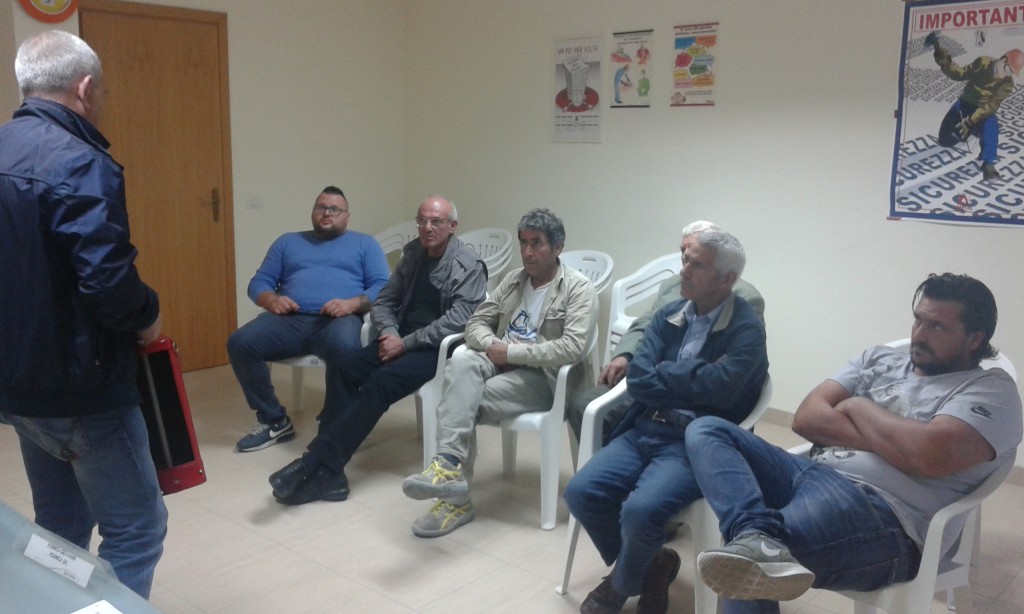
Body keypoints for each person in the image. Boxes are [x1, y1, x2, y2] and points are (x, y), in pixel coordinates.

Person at [689, 273, 1022, 614]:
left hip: (883, 515)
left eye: (937, 326)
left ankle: (756, 540)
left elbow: (925, 455)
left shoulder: (991, 390)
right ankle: (754, 532)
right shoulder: (878, 359)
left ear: (974, 339)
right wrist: (896, 443)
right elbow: (806, 418)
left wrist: (858, 406)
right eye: (918, 320)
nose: (919, 334)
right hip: (809, 474)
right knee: (707, 430)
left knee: (743, 561)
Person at [0, 31, 166, 598]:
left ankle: (56, 606)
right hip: (82, 387)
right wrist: (148, 313)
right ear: (86, 88)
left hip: (18, 386)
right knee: (137, 528)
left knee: (60, 524)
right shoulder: (79, 162)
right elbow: (110, 286)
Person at [563, 230, 768, 614]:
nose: (684, 270)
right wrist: (696, 375)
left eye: (697, 265)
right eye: (685, 259)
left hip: (692, 442)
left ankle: (619, 586)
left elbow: (724, 391)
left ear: (727, 279)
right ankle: (655, 564)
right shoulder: (668, 314)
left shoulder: (746, 328)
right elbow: (640, 380)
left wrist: (667, 372)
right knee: (581, 493)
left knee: (640, 511)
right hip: (645, 427)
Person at [267, 196, 487, 504]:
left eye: (436, 221)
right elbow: (385, 300)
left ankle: (314, 462)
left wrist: (405, 343)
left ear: (452, 226)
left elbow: (458, 321)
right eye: (422, 220)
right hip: (398, 337)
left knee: (380, 383)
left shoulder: (468, 264)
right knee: (344, 366)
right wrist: (390, 332)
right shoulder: (413, 253)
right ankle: (330, 471)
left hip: (436, 349)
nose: (427, 227)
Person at [401, 208, 598, 537]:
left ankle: (455, 500)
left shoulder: (579, 289)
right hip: (501, 362)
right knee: (461, 364)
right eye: (523, 243)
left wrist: (514, 353)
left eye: (537, 243)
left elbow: (572, 347)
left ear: (557, 247)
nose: (528, 252)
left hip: (548, 381)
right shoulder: (513, 281)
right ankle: (448, 466)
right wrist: (495, 345)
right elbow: (475, 323)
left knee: (458, 401)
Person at [566, 221, 765, 443]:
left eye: (697, 260)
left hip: (695, 400)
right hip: (651, 380)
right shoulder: (672, 285)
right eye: (684, 254)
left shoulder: (746, 298)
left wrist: (662, 370)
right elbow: (646, 322)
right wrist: (626, 354)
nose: (684, 266)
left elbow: (727, 378)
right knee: (583, 406)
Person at [227, 186, 389, 452]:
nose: (327, 213)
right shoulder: (287, 242)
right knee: (240, 343)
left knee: (347, 350)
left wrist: (351, 304)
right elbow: (259, 282)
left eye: (334, 209)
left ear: (347, 216)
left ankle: (337, 423)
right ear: (313, 212)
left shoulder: (365, 244)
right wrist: (271, 300)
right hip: (289, 320)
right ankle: (273, 420)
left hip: (339, 320)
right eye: (321, 207)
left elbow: (383, 286)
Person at [926, 31, 1024, 181]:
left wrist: (970, 121)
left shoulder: (1007, 83)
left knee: (992, 123)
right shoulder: (983, 62)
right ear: (1002, 59)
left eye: (1010, 72)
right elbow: (960, 74)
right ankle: (973, 131)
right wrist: (946, 63)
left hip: (982, 113)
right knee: (945, 141)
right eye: (1006, 68)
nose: (1005, 74)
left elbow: (991, 106)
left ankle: (989, 163)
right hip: (963, 105)